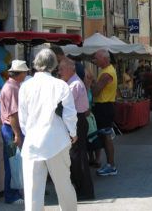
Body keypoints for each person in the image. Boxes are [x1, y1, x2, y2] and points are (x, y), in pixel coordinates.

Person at [18, 48, 78, 211]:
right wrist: (72, 133)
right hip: (56, 140)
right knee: (64, 186)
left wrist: (28, 133)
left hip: (32, 142)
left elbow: (22, 117)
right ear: (54, 65)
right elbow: (69, 113)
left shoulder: (25, 86)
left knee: (32, 192)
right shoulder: (60, 85)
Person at [58, 58, 94, 201]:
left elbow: (65, 105)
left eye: (61, 69)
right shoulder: (72, 82)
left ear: (70, 69)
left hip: (77, 121)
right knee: (77, 157)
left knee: (77, 157)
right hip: (77, 120)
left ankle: (84, 190)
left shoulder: (73, 85)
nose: (59, 72)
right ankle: (81, 189)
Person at [0, 60, 29, 205]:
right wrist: (17, 134)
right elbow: (13, 115)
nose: (26, 74)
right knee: (12, 162)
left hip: (11, 128)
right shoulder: (12, 88)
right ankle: (11, 195)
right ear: (20, 73)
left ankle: (15, 192)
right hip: (10, 128)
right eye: (25, 72)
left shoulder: (13, 86)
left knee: (14, 161)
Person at [91, 49, 118, 176]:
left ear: (104, 59)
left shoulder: (106, 73)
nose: (94, 61)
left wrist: (90, 82)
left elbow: (96, 92)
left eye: (96, 58)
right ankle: (109, 164)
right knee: (104, 136)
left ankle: (111, 165)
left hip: (104, 107)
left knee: (106, 136)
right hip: (105, 106)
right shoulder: (107, 70)